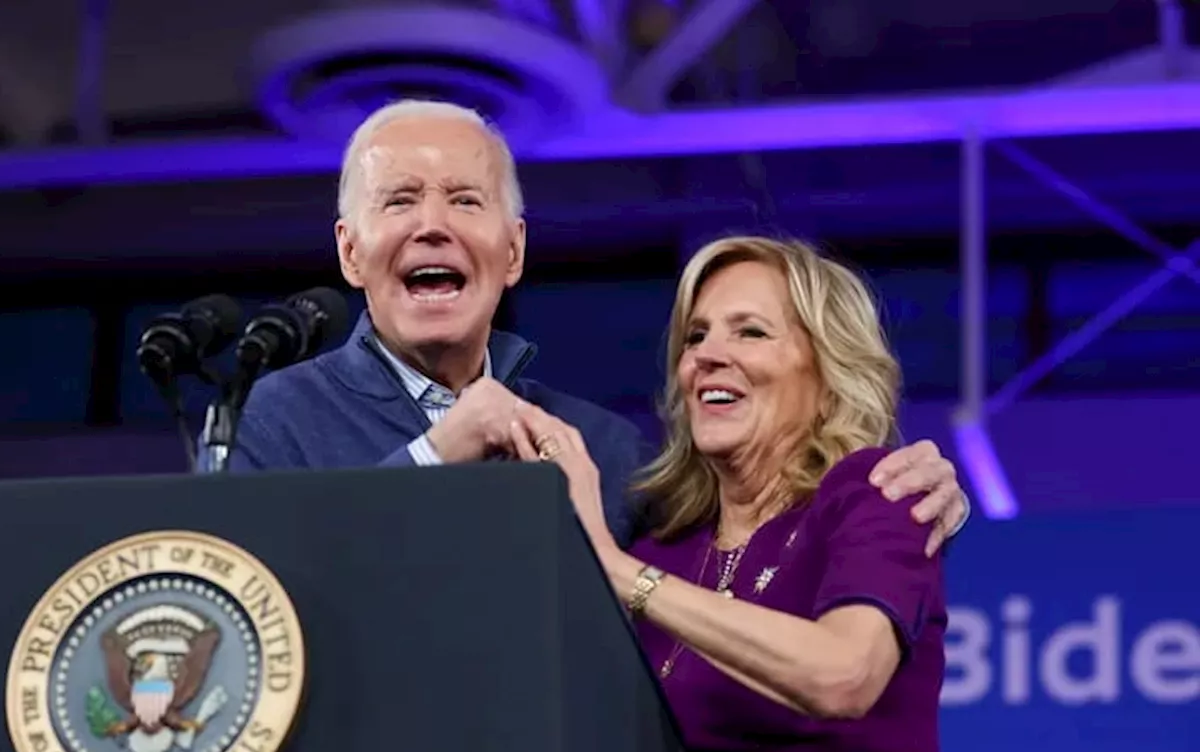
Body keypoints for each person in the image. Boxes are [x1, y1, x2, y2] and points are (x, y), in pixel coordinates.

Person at [220, 98, 970, 550]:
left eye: (465, 200)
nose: (433, 225)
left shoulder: (603, 447)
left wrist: (887, 498)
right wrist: (434, 453)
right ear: (350, 252)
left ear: (513, 251)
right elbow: (258, 601)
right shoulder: (278, 415)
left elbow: (747, 560)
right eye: (400, 200)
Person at [508, 236, 974, 752]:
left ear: (827, 368)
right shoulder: (663, 543)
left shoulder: (872, 492)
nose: (708, 356)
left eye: (750, 333)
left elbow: (844, 675)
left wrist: (618, 576)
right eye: (696, 337)